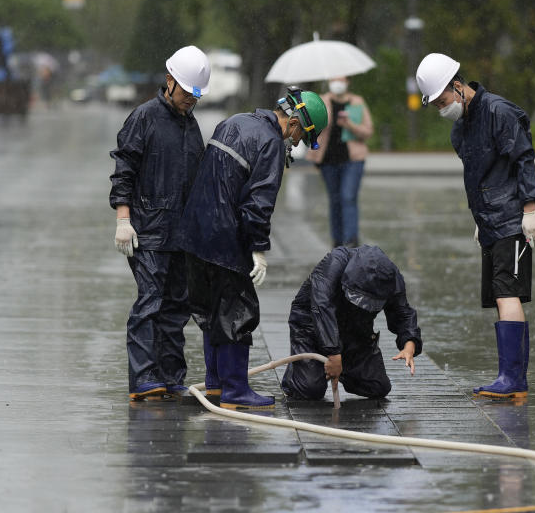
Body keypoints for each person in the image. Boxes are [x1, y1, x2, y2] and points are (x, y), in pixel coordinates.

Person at [177, 87, 328, 409]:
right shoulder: (271, 143)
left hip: (193, 233)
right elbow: (258, 204)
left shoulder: (236, 121)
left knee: (212, 312)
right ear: (295, 124)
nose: (296, 143)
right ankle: (234, 390)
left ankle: (216, 384)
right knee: (237, 313)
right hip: (225, 239)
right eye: (301, 136)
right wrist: (258, 248)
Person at [415, 52, 535, 400]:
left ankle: (512, 378)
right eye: (436, 105)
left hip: (513, 218)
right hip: (490, 220)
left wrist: (530, 209)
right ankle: (511, 377)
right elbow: (478, 177)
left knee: (508, 293)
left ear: (458, 86)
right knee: (501, 295)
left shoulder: (499, 112)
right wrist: (479, 219)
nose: (443, 109)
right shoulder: (463, 128)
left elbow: (523, 159)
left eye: (444, 101)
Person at [109, 45, 210, 401]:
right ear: (169, 81)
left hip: (181, 237)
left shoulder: (191, 127)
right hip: (148, 233)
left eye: (196, 96)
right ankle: (144, 378)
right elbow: (124, 170)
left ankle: (170, 376)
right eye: (185, 93)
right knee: (149, 303)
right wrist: (124, 219)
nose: (190, 101)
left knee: (176, 309)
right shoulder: (144, 118)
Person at [281, 245, 422, 401]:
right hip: (311, 325)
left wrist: (409, 344)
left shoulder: (391, 279)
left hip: (355, 330)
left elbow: (403, 312)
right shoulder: (335, 262)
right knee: (309, 389)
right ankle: (299, 374)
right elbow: (321, 306)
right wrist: (333, 353)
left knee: (378, 387)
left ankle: (341, 369)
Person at [306, 76, 374, 247]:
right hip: (327, 160)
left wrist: (350, 125)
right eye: (334, 80)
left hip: (353, 160)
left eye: (341, 80)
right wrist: (323, 120)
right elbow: (309, 128)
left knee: (348, 197)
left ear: (347, 82)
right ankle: (337, 241)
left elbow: (367, 131)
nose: (337, 83)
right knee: (335, 200)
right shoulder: (320, 101)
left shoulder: (357, 102)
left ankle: (351, 240)